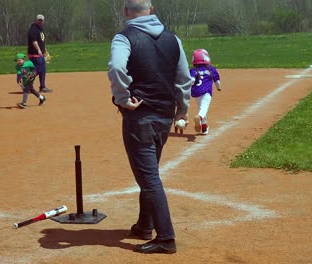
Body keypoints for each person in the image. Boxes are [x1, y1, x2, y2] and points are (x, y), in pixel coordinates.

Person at [107, 0, 192, 254]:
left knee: (149, 177)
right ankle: (145, 225)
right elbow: (184, 78)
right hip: (165, 116)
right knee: (150, 170)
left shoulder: (124, 37)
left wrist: (122, 98)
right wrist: (183, 110)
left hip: (140, 116)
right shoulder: (173, 39)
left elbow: (117, 67)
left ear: (126, 12)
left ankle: (166, 238)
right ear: (151, 10)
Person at [190, 49, 221, 135]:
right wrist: (219, 88)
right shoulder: (211, 69)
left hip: (196, 93)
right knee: (204, 109)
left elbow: (191, 81)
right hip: (206, 92)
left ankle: (204, 128)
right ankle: (199, 117)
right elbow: (217, 81)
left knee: (201, 108)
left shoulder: (193, 70)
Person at [27, 14, 52, 92]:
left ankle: (42, 87)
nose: (40, 21)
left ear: (43, 21)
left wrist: (45, 50)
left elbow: (42, 41)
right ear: (36, 20)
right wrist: (38, 49)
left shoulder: (41, 29)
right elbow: (34, 41)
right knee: (37, 70)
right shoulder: (33, 29)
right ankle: (27, 83)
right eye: (39, 20)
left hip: (40, 53)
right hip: (34, 53)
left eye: (41, 20)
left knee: (43, 69)